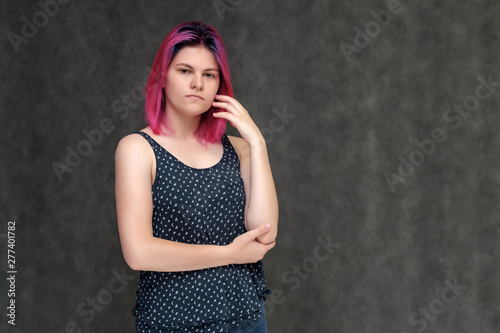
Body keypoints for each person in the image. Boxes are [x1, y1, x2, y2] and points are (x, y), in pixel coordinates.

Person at [115, 21, 279, 333]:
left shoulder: (241, 149)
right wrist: (229, 254)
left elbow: (264, 235)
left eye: (209, 75)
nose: (197, 84)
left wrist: (258, 143)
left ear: (220, 84)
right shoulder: (138, 149)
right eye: (185, 71)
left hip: (245, 320)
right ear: (163, 76)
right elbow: (138, 253)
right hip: (173, 324)